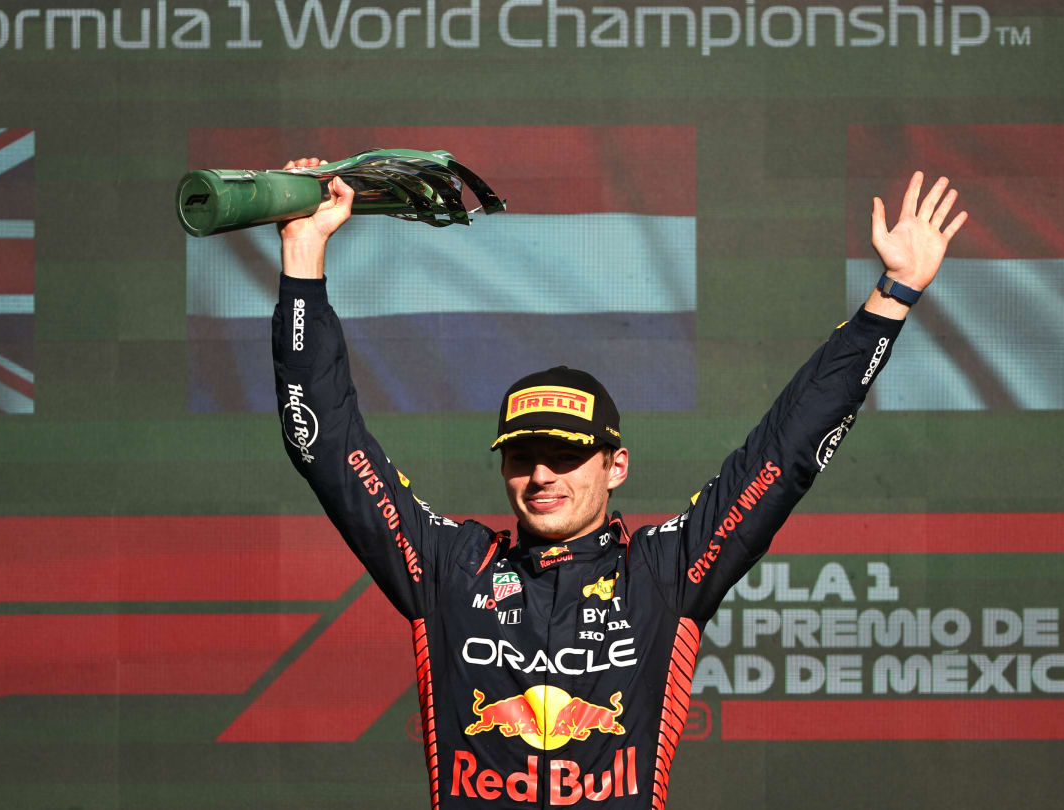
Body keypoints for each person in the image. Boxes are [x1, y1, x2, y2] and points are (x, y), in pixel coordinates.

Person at [272, 158, 966, 809]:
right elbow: (324, 443)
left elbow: (783, 455)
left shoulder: (663, 572)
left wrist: (891, 298)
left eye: (566, 455)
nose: (542, 474)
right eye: (523, 456)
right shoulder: (449, 568)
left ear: (616, 466)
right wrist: (304, 256)